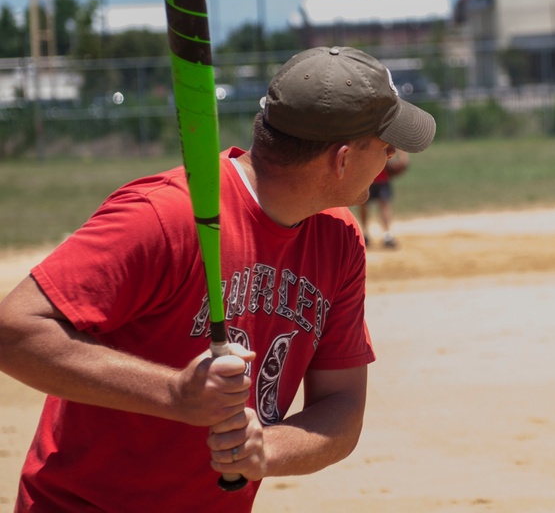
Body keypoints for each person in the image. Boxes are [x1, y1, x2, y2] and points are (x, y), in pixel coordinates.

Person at [0, 45, 436, 512]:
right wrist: (173, 394)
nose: (392, 154)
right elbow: (14, 330)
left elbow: (343, 411)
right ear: (342, 158)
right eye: (384, 142)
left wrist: (264, 449)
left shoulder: (339, 238)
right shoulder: (165, 216)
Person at [359, 149, 409, 249]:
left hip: (382, 178)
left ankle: (387, 235)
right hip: (366, 178)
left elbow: (399, 152)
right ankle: (365, 234)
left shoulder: (384, 137)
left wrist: (403, 157)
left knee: (384, 205)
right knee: (364, 205)